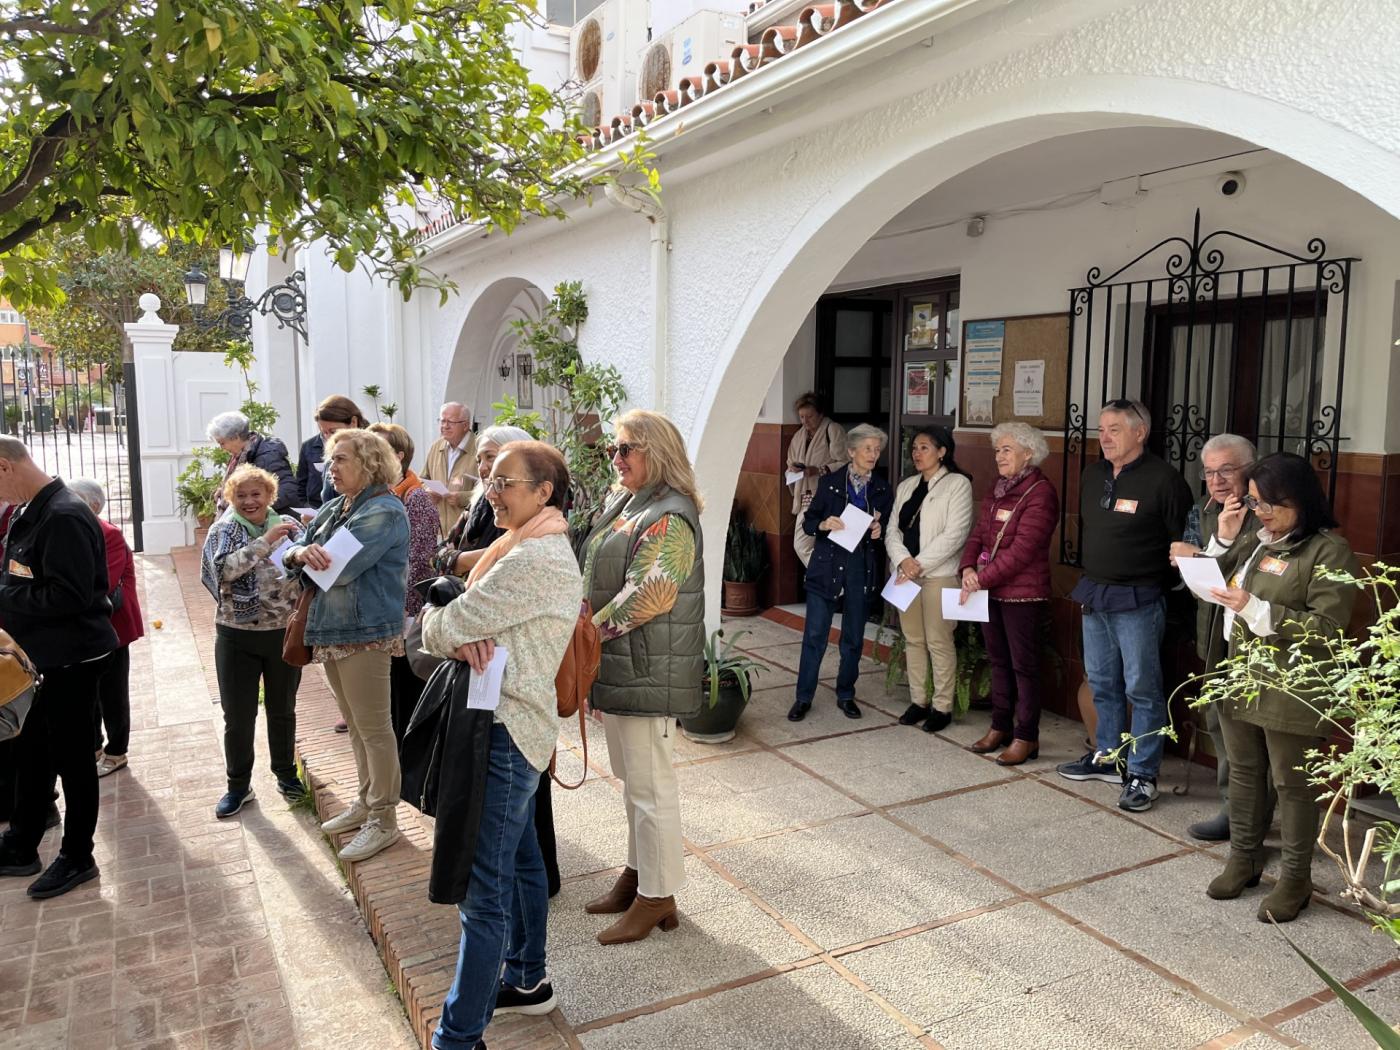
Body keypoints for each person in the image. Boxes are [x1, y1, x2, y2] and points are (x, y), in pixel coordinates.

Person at [419, 441, 581, 1049]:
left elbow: (440, 626)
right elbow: (458, 624)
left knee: (482, 895)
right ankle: (529, 980)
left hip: (508, 731)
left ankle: (458, 1037)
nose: (492, 491)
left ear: (544, 493)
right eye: (489, 480)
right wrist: (458, 627)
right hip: (520, 725)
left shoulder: (530, 559)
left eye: (506, 482)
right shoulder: (519, 547)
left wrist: (450, 627)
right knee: (521, 861)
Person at [1202, 452, 1358, 923]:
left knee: (1292, 784)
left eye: (1271, 504)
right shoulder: (1257, 539)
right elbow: (1219, 580)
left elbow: (1328, 628)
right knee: (1246, 772)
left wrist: (1256, 610)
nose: (1261, 513)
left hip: (1292, 685)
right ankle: (1244, 858)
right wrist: (1223, 541)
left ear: (1301, 500)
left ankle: (1295, 878)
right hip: (1242, 674)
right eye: (1254, 502)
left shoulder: (1328, 550)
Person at [581, 409, 705, 945]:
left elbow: (651, 594)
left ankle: (658, 897)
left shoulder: (670, 514)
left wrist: (587, 635)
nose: (616, 458)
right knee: (635, 785)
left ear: (656, 452)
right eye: (614, 448)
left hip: (648, 667)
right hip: (624, 665)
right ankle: (639, 879)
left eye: (626, 448)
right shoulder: (631, 502)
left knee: (651, 788)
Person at [1056, 400, 1193, 812]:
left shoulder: (1165, 480)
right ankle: (1109, 757)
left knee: (1143, 689)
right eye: (1102, 429)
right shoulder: (1094, 474)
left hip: (1140, 598)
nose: (1105, 437)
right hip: (1095, 593)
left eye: (1115, 429)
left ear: (1140, 433)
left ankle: (1143, 773)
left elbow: (1182, 541)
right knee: (1101, 681)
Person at [284, 429, 410, 863]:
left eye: (340, 460)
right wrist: (300, 555)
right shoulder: (339, 506)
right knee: (356, 726)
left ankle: (384, 819)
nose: (329, 468)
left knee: (374, 729)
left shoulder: (384, 511)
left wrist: (303, 558)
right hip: (332, 630)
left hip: (365, 632)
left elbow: (335, 569)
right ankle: (365, 801)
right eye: (330, 459)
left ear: (370, 464)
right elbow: (295, 551)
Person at [0, 437, 117, 899]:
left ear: (6, 466)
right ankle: (22, 843)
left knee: (72, 758)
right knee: (32, 753)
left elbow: (68, 597)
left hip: (72, 658)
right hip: (42, 656)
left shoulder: (64, 515)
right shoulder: (30, 510)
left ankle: (77, 856)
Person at [1169, 433, 1270, 841]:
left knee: (1254, 733)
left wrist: (1209, 554)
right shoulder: (1204, 509)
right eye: (1210, 472)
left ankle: (1250, 818)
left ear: (1251, 469)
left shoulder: (1268, 512)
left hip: (1257, 635)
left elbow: (1242, 570)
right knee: (1219, 720)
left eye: (1227, 470)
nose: (1218, 480)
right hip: (1213, 632)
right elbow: (1201, 573)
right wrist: (1188, 560)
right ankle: (1235, 811)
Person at [200, 465, 307, 817]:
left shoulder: (291, 527)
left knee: (282, 710)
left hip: (282, 634)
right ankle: (238, 786)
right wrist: (266, 542)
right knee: (238, 716)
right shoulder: (224, 530)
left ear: (269, 496)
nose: (249, 501)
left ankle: (287, 776)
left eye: (256, 494)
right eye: (241, 495)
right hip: (237, 637)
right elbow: (224, 570)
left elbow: (308, 567)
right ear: (232, 498)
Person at [959, 423, 1060, 766]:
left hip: (1022, 595)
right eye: (997, 449)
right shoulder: (998, 488)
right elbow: (979, 533)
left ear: (1028, 453)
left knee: (1024, 667)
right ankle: (999, 726)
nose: (999, 456)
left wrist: (980, 579)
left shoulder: (1041, 493)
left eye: (1007, 449)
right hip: (989, 589)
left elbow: (1023, 551)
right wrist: (968, 568)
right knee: (998, 661)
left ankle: (1026, 736)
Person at [790, 424, 894, 723]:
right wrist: (824, 524)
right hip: (826, 567)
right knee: (815, 635)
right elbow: (809, 522)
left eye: (877, 449)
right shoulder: (830, 483)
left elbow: (886, 528)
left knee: (853, 637)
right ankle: (803, 697)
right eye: (868, 448)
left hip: (860, 567)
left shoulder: (882, 489)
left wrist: (878, 529)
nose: (873, 454)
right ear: (851, 452)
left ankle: (846, 694)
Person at [886, 425, 974, 734]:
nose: (917, 453)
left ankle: (942, 706)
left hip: (939, 575)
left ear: (942, 451)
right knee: (913, 639)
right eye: (914, 448)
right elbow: (892, 530)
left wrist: (917, 564)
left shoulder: (957, 484)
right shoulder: (907, 485)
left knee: (939, 640)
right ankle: (918, 701)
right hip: (905, 575)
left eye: (924, 447)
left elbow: (956, 535)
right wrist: (902, 561)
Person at [367, 422, 439, 743]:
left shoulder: (416, 499)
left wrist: (398, 617)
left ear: (398, 456)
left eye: (375, 450)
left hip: (404, 618)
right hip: (386, 613)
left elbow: (419, 564)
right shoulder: (379, 497)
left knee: (406, 699)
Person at [68, 479, 146, 779]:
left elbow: (101, 584)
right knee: (90, 692)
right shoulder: (71, 534)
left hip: (113, 626)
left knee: (113, 692)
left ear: (93, 506)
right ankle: (95, 747)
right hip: (83, 627)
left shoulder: (109, 535)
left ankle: (117, 751)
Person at [431, 425, 536, 579]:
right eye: (478, 460)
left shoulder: (532, 510)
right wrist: (465, 559)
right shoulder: (477, 504)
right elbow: (437, 554)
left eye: (490, 457)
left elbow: (516, 558)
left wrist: (457, 560)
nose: (482, 468)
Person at [785, 394, 847, 568]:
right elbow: (790, 461)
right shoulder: (799, 436)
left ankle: (825, 579)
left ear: (820, 414)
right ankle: (828, 579)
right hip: (805, 497)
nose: (805, 421)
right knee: (806, 545)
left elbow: (845, 463)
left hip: (827, 497)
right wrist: (794, 469)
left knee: (806, 544)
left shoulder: (832, 430)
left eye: (810, 416)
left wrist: (818, 470)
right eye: (802, 417)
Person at [207, 410, 298, 514]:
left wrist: (251, 509)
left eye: (222, 443)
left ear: (236, 437)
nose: (222, 448)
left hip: (273, 521)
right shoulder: (241, 455)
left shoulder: (268, 455)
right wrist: (225, 492)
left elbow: (287, 491)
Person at [294, 395, 366, 511]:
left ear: (353, 422)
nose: (328, 439)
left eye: (333, 432)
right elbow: (300, 488)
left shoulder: (372, 451)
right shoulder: (309, 446)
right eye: (324, 433)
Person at [424, 402, 478, 535]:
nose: (444, 426)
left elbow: (491, 491)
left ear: (465, 425)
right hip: (438, 530)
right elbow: (423, 479)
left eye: (451, 422)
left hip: (468, 531)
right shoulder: (436, 447)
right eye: (442, 421)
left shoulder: (480, 449)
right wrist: (428, 491)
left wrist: (463, 498)